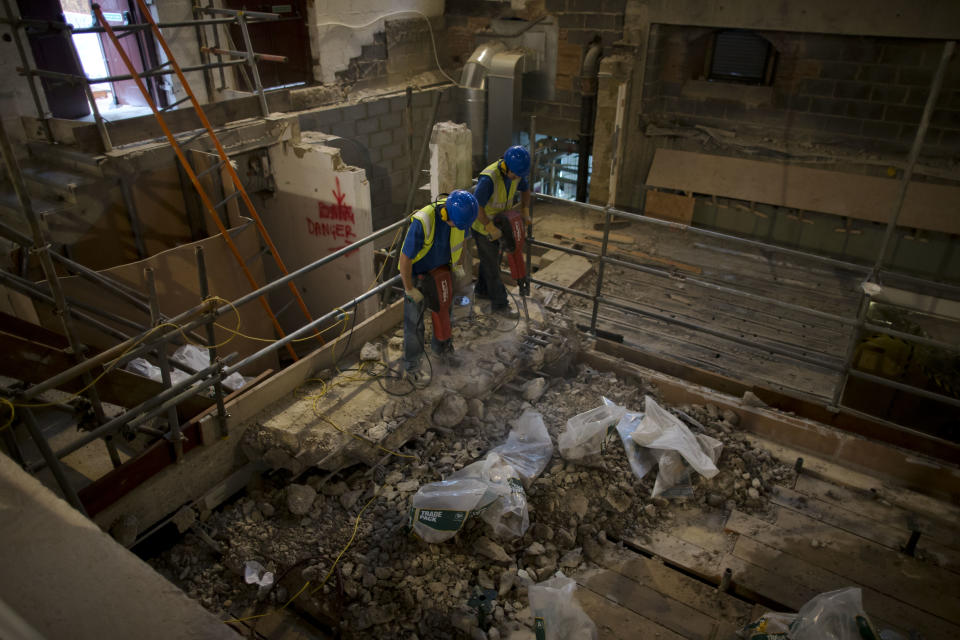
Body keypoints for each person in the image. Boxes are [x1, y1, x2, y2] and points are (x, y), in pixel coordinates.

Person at [398, 190, 479, 381]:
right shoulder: (424, 221)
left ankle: (442, 350)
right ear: (445, 213)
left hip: (443, 271)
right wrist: (409, 288)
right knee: (414, 324)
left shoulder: (461, 216)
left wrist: (458, 266)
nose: (459, 228)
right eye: (456, 224)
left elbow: (463, 242)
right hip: (419, 276)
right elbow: (405, 259)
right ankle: (412, 366)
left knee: (444, 312)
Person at [471, 145, 532, 318]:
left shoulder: (517, 173)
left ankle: (482, 290)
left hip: (500, 224)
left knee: (490, 261)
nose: (518, 178)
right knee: (492, 267)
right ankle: (500, 305)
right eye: (516, 174)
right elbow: (477, 207)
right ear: (507, 167)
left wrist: (525, 210)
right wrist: (489, 227)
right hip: (482, 227)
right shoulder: (489, 179)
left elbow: (526, 190)